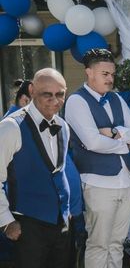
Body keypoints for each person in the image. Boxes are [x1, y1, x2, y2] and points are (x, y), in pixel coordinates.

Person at [64, 48, 130, 268]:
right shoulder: (76, 101)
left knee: (117, 244)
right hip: (97, 182)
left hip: (125, 181)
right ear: (89, 72)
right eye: (105, 74)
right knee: (99, 244)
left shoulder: (116, 98)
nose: (110, 79)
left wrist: (115, 132)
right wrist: (123, 145)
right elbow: (93, 142)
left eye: (112, 74)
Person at [0, 68, 71, 267]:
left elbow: (58, 172)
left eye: (60, 94)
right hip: (27, 224)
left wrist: (67, 212)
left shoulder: (63, 126)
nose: (54, 100)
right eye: (47, 94)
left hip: (61, 223)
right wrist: (6, 222)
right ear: (31, 90)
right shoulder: (11, 127)